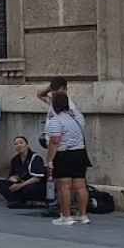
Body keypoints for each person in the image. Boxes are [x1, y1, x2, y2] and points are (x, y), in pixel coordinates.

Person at [46, 93, 91, 226]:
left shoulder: (56, 120)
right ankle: (82, 215)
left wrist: (49, 159)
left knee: (64, 187)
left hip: (64, 154)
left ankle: (66, 216)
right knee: (80, 186)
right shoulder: (78, 116)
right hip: (80, 153)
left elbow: (55, 141)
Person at [38, 77, 78, 217]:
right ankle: (58, 205)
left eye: (58, 91)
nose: (56, 94)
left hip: (62, 146)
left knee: (63, 180)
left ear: (66, 90)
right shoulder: (53, 103)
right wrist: (50, 88)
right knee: (56, 179)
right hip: (55, 145)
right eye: (54, 92)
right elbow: (39, 95)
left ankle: (66, 207)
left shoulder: (68, 106)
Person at [0, 136, 48, 208]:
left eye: (21, 143)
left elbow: (37, 178)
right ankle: (18, 200)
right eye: (16, 144)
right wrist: (13, 179)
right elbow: (12, 175)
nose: (18, 145)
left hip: (33, 184)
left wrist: (20, 185)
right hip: (20, 183)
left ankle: (17, 200)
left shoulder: (36, 158)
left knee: (28, 189)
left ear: (27, 145)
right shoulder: (15, 159)